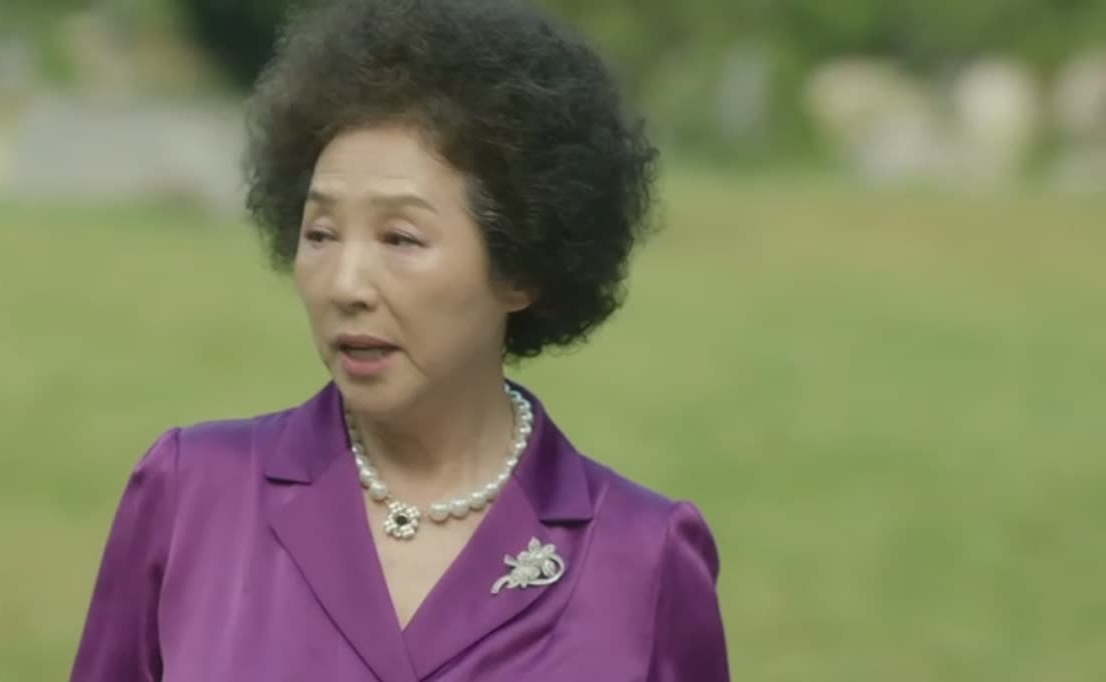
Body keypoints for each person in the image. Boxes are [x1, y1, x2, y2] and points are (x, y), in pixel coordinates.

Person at [70, 0, 730, 679]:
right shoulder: (192, 497)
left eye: (400, 238)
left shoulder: (642, 558)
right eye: (321, 234)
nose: (345, 284)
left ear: (521, 268)